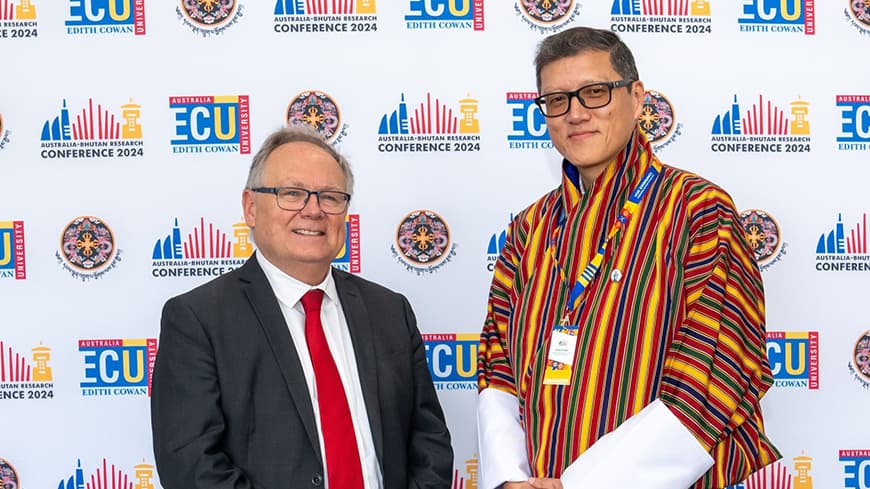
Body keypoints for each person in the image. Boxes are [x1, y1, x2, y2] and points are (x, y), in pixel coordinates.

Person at [476, 27, 780, 489]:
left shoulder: (696, 210)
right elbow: (497, 362)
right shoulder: (528, 229)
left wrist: (582, 484)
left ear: (637, 98)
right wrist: (511, 478)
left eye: (595, 93)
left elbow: (713, 371)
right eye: (556, 100)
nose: (575, 113)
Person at [151, 125, 453, 489]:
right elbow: (191, 466)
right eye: (291, 194)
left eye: (330, 197)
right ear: (250, 207)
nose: (313, 211)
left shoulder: (390, 311)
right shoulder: (197, 319)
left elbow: (429, 443)